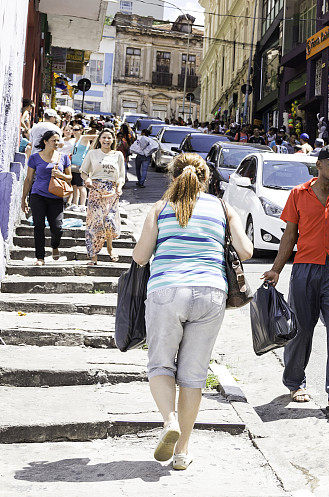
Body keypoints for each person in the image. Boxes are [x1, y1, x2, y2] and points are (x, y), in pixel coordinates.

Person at [132, 153, 253, 470]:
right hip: (211, 293)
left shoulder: (160, 208)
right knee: (194, 375)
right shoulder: (224, 208)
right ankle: (182, 452)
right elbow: (246, 251)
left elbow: (141, 257)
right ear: (208, 179)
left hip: (166, 292)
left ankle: (169, 421)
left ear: (172, 178)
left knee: (160, 365)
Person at [261, 144, 329, 411]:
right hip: (305, 268)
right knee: (302, 330)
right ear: (318, 165)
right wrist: (276, 269)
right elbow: (289, 236)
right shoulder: (298, 193)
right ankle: (296, 382)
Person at [20, 130, 72, 266]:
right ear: (45, 142)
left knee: (57, 228)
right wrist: (23, 198)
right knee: (39, 226)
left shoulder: (64, 157)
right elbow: (29, 179)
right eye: (53, 140)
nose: (56, 143)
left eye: (57, 140)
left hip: (56, 196)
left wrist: (60, 174)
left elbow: (70, 177)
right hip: (38, 195)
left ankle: (54, 246)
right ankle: (40, 257)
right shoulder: (35, 157)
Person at [81, 129, 126, 265]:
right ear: (99, 139)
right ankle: (93, 257)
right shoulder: (92, 153)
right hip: (95, 190)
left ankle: (110, 247)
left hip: (111, 191)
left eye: (109, 138)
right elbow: (83, 172)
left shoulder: (118, 155)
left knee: (109, 221)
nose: (106, 140)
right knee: (95, 223)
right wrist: (87, 180)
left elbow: (121, 176)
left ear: (113, 140)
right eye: (104, 137)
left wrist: (119, 187)